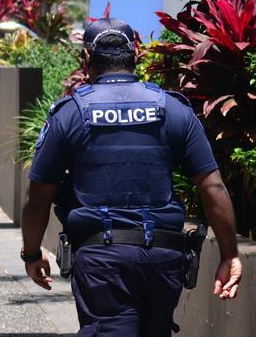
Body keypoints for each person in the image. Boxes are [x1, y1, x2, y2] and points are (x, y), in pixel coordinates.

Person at [20, 18, 243, 336]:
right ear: (135, 55)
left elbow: (38, 196)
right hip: (163, 259)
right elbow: (212, 185)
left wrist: (31, 253)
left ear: (86, 59)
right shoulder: (173, 109)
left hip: (101, 263)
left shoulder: (69, 113)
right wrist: (229, 254)